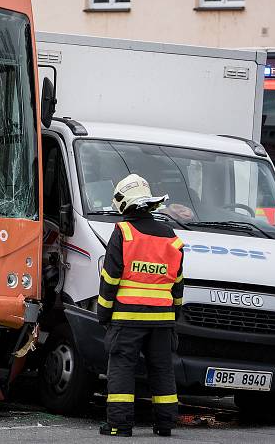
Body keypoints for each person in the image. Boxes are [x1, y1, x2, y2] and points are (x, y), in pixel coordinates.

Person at [98, 174, 184, 438]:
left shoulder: (123, 232)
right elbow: (177, 283)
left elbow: (110, 278)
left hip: (127, 317)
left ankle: (119, 425)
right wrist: (174, 315)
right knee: (162, 368)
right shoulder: (171, 235)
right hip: (162, 319)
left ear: (124, 203)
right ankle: (166, 424)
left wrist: (103, 312)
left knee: (122, 367)